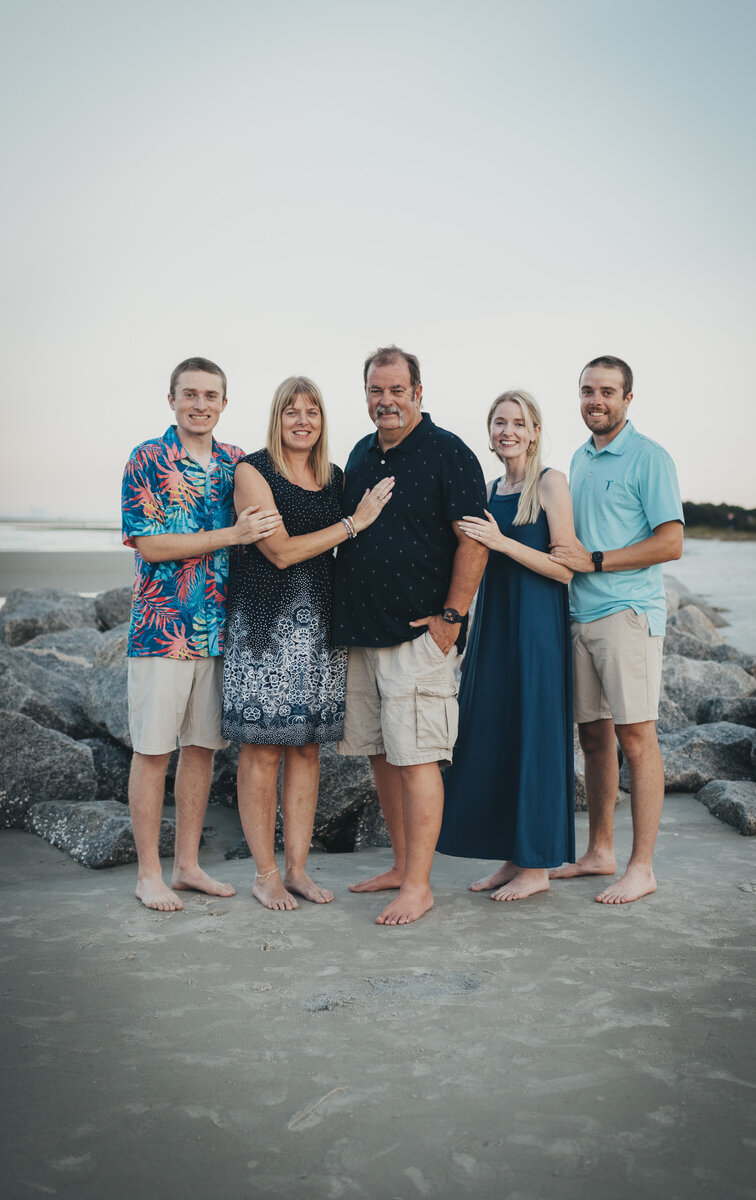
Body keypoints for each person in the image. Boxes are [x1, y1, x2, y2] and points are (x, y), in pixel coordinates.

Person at [222, 376, 394, 911]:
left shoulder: (334, 476)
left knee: (304, 747)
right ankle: (265, 873)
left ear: (322, 421)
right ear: (277, 419)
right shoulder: (253, 471)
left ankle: (297, 868)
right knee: (262, 749)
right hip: (266, 631)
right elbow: (278, 552)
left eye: (312, 412)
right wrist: (354, 523)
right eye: (291, 411)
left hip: (320, 630)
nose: (302, 420)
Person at [333, 345, 488, 926]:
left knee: (419, 759)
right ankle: (401, 865)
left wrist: (450, 620)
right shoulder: (361, 453)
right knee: (382, 754)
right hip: (363, 635)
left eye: (397, 390)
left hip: (418, 639)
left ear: (418, 393)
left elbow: (473, 540)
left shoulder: (449, 452)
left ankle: (419, 886)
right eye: (376, 390)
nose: (386, 401)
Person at [122, 356, 282, 912]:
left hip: (220, 634)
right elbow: (151, 545)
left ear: (223, 404)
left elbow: (273, 525)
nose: (199, 404)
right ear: (172, 399)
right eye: (189, 394)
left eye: (210, 396)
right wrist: (231, 535)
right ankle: (149, 874)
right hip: (162, 634)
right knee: (152, 752)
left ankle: (188, 866)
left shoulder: (236, 463)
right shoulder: (148, 459)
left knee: (201, 751)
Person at [549, 355, 683, 904]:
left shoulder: (650, 458)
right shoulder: (579, 459)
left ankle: (642, 867)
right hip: (580, 616)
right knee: (594, 738)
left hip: (627, 614)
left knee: (636, 737)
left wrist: (597, 561)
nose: (595, 400)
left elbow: (670, 542)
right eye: (587, 390)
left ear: (628, 399)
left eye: (607, 391)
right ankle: (599, 852)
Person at [437, 390, 576, 899]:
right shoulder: (489, 487)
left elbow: (564, 570)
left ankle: (537, 866)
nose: (508, 430)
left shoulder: (551, 483)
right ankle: (510, 856)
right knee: (492, 731)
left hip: (538, 626)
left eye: (518, 422)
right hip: (493, 623)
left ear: (535, 430)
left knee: (536, 733)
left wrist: (502, 542)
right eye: (499, 422)